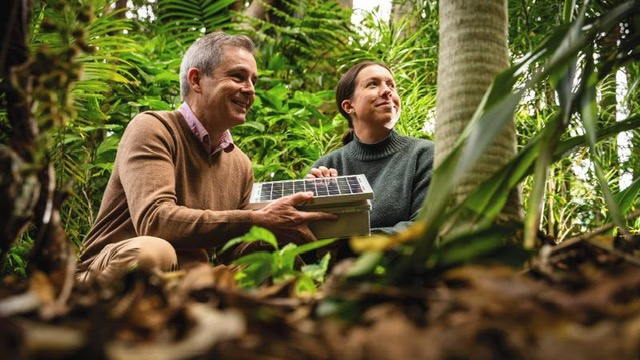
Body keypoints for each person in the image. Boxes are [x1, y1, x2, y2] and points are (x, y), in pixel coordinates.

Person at [76, 31, 336, 284]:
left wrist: (295, 220)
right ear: (196, 80)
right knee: (153, 252)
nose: (249, 90)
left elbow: (232, 249)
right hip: (114, 269)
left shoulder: (239, 164)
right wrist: (258, 218)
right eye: (237, 76)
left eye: (253, 81)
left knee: (278, 263)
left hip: (192, 281)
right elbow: (155, 221)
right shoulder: (153, 128)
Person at [307, 61, 434, 235]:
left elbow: (425, 226)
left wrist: (350, 244)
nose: (387, 91)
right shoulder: (327, 166)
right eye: (373, 84)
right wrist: (315, 203)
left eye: (391, 85)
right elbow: (304, 237)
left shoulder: (424, 154)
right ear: (348, 106)